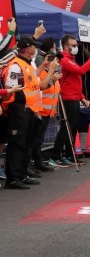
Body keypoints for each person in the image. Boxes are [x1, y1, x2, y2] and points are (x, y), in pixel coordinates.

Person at [1, 36, 53, 189]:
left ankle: (22, 174)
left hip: (30, 110)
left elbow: (35, 86)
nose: (35, 49)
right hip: (19, 110)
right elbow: (13, 90)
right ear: (28, 48)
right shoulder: (16, 65)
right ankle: (13, 178)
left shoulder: (27, 65)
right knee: (17, 145)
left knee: (25, 144)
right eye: (33, 46)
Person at [53, 35, 90, 165]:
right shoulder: (65, 60)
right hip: (67, 98)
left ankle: (69, 154)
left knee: (72, 128)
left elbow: (75, 81)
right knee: (66, 127)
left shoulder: (70, 59)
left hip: (73, 96)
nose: (75, 48)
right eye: (73, 45)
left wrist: (82, 97)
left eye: (76, 45)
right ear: (66, 47)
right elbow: (81, 71)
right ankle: (57, 155)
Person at [32, 52, 62, 172]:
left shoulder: (53, 74)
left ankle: (38, 162)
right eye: (54, 61)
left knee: (39, 139)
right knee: (35, 139)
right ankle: (33, 163)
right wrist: (52, 79)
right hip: (39, 111)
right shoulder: (43, 74)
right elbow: (42, 88)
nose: (56, 64)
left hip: (49, 112)